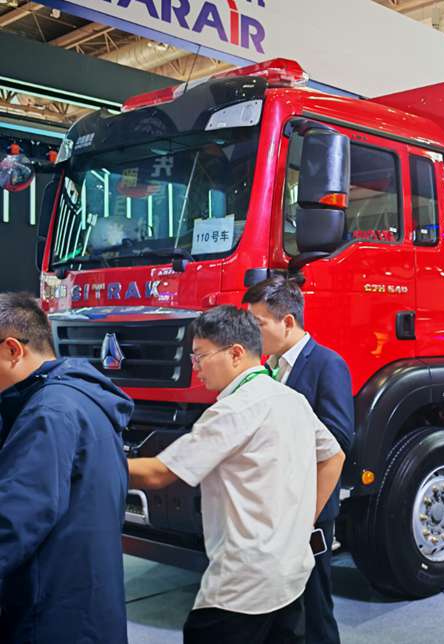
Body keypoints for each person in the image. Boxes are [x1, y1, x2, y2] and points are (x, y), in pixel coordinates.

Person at [127, 306, 345, 644]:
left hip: (243, 585)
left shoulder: (232, 409)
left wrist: (93, 461)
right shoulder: (290, 398)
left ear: (235, 353)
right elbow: (334, 457)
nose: (194, 367)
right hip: (289, 574)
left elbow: (158, 474)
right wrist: (304, 522)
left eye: (200, 356)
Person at [0, 293, 132, 644]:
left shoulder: (50, 413)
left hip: (50, 615)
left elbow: (14, 520)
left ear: (13, 350)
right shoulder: (81, 398)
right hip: (85, 605)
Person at [244, 275, 353, 644]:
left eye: (257, 324)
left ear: (287, 322)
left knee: (315, 608)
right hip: (274, 506)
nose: (251, 335)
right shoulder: (268, 368)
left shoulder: (327, 364)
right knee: (283, 613)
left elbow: (338, 438)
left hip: (310, 508)